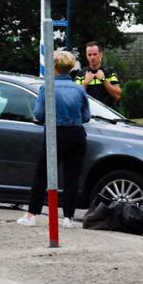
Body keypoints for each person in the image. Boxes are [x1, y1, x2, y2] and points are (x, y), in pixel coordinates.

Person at [17, 51, 91, 229]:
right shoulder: (79, 89)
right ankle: (68, 218)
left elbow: (39, 114)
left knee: (42, 175)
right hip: (76, 134)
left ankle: (32, 214)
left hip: (55, 134)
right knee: (72, 177)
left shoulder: (47, 88)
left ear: (54, 67)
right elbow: (86, 116)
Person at [74, 41, 122, 109]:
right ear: (86, 56)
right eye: (89, 55)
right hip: (89, 114)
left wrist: (103, 80)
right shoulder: (81, 74)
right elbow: (75, 98)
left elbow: (118, 96)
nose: (92, 57)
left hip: (107, 113)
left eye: (95, 54)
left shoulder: (109, 72)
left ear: (101, 55)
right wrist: (85, 83)